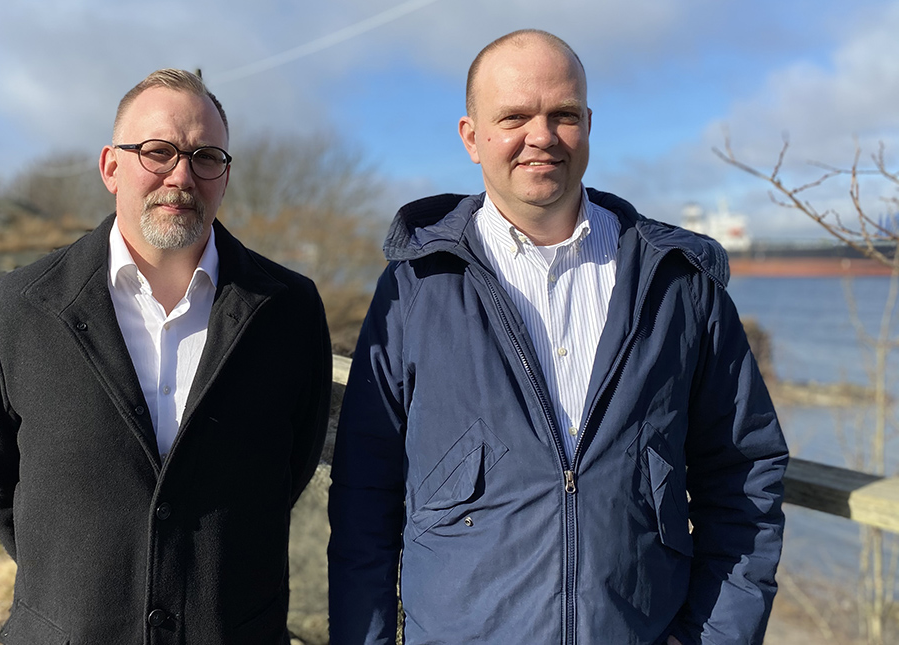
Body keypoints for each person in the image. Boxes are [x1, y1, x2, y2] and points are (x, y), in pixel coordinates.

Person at [327, 30, 787, 645]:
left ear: (589, 125)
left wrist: (717, 636)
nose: (541, 136)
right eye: (514, 117)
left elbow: (743, 476)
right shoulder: (416, 288)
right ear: (471, 137)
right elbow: (364, 495)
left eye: (563, 115)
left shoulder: (678, 283)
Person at [0, 68, 332, 645]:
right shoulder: (18, 307)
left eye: (206, 157)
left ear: (225, 176)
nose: (181, 175)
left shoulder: (289, 309)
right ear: (111, 167)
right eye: (158, 152)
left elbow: (293, 468)